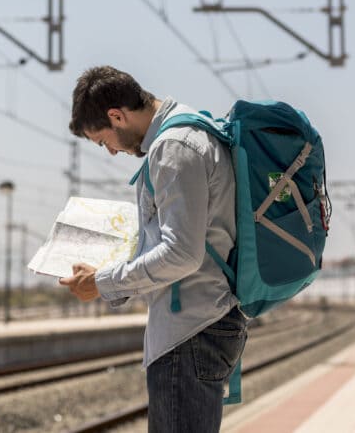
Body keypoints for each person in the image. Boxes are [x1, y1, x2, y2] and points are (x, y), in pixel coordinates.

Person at [60, 65, 246, 433]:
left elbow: (182, 254)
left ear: (117, 116)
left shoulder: (174, 148)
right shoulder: (190, 131)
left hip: (190, 330)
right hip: (200, 323)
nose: (111, 152)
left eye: (104, 141)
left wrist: (102, 282)